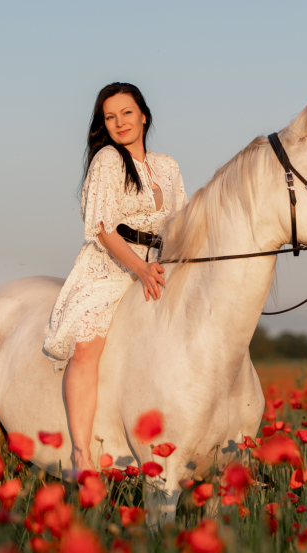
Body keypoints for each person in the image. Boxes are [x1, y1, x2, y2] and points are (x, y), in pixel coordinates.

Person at [43, 83, 188, 472]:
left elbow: (180, 224)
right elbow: (104, 229)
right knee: (87, 348)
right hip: (112, 263)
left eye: (126, 113)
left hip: (158, 261)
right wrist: (138, 268)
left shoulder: (168, 166)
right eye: (110, 117)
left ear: (143, 114)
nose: (119, 123)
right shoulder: (107, 159)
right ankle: (80, 453)